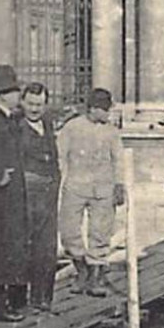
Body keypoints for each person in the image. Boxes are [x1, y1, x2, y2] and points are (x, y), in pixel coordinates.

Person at [57, 87, 126, 298]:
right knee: (68, 232)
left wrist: (119, 185)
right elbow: (60, 156)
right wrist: (58, 183)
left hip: (103, 189)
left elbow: (119, 160)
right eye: (104, 110)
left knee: (100, 233)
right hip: (76, 187)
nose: (107, 114)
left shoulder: (112, 132)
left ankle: (95, 277)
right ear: (94, 108)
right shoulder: (72, 128)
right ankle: (81, 270)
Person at [0, 65, 29, 322]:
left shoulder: (4, 118)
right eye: (15, 91)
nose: (18, 95)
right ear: (3, 94)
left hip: (7, 198)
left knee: (5, 247)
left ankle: (1, 305)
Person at [17, 82, 60, 312]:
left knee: (47, 248)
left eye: (39, 104)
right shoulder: (15, 126)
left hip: (49, 194)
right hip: (26, 194)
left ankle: (44, 298)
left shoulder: (48, 124)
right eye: (31, 104)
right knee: (25, 246)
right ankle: (22, 300)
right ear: (22, 102)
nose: (34, 109)